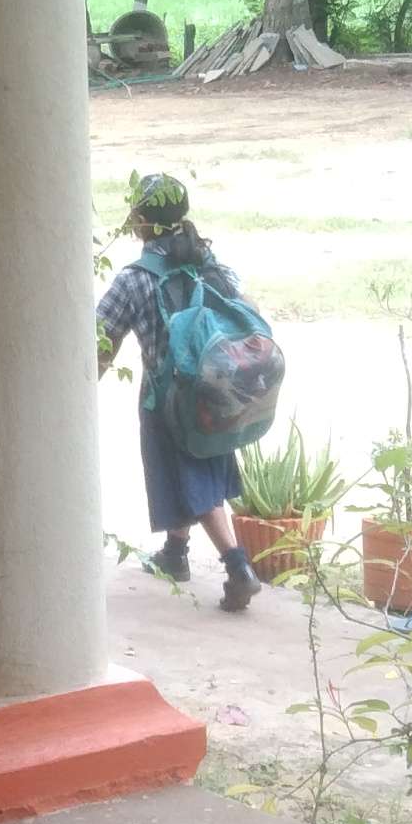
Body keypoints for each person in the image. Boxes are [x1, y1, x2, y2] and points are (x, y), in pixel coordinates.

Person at [97, 169, 261, 613]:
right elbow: (248, 312)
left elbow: (100, 340)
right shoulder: (210, 262)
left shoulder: (134, 279)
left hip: (168, 403)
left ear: (140, 221)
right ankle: (175, 553)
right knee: (197, 471)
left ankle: (238, 566)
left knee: (191, 482)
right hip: (219, 396)